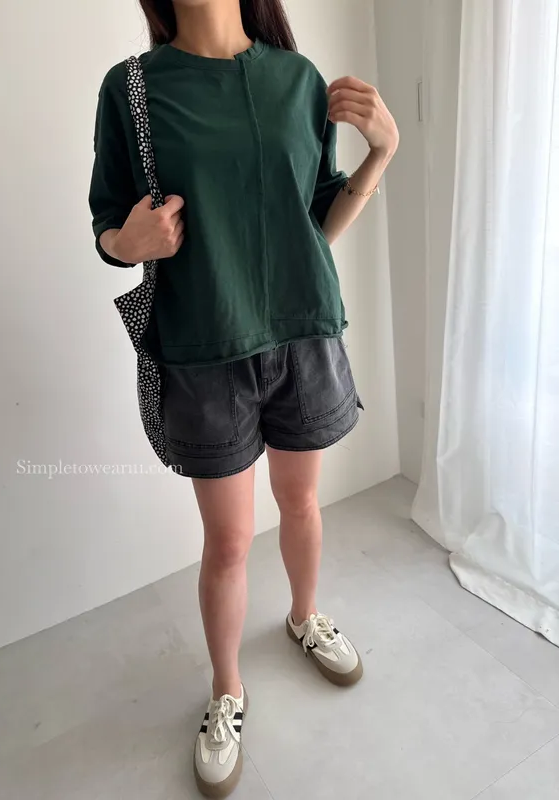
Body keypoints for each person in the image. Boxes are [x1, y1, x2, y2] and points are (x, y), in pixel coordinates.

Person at [89, 0, 398, 795]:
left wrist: (381, 154)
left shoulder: (297, 80)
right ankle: (227, 690)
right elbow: (106, 225)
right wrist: (129, 241)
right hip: (205, 350)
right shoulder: (132, 89)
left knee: (301, 504)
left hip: (303, 336)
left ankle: (303, 616)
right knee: (228, 543)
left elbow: (315, 222)